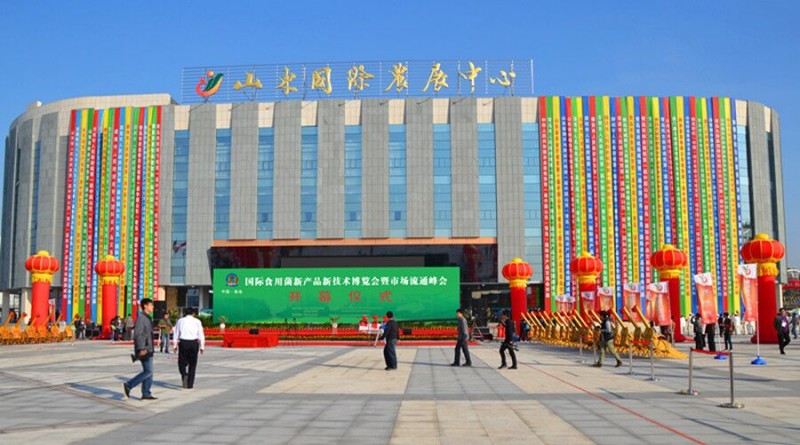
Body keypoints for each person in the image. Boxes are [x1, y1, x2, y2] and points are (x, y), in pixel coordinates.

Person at [123, 298, 156, 400]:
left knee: (149, 372)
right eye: (151, 305)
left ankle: (146, 393)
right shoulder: (141, 318)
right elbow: (138, 334)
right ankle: (129, 385)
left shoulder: (147, 318)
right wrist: (141, 348)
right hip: (145, 349)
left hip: (149, 348)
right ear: (145, 306)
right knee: (148, 372)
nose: (153, 307)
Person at [173, 307, 205, 389]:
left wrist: (175, 345)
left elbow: (176, 333)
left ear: (185, 313)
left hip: (183, 343)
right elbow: (201, 334)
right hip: (194, 343)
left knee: (181, 362)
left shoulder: (180, 321)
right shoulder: (197, 321)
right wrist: (202, 346)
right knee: (192, 364)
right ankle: (190, 384)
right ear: (193, 313)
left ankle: (184, 374)